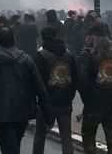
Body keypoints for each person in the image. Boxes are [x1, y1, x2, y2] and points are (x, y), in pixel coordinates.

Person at [77, 24, 112, 154]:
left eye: (88, 37)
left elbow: (82, 80)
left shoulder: (86, 55)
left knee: (89, 139)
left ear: (92, 37)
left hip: (93, 105)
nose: (86, 40)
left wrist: (88, 98)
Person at [33, 26, 77, 154]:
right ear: (56, 35)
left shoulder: (40, 56)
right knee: (66, 136)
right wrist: (70, 95)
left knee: (40, 135)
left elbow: (36, 81)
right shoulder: (68, 54)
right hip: (65, 100)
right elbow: (75, 77)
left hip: (45, 103)